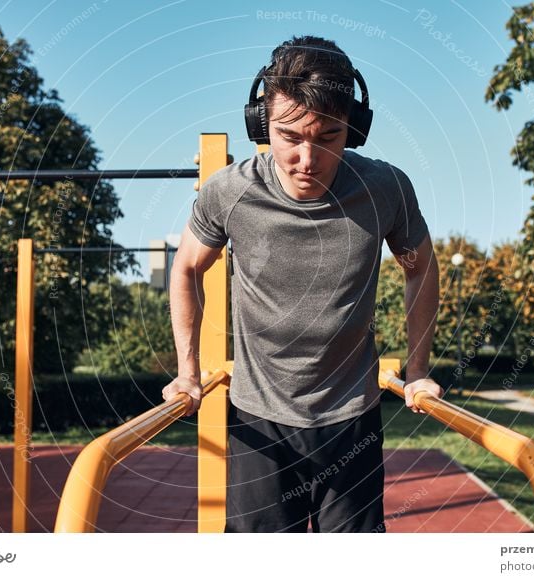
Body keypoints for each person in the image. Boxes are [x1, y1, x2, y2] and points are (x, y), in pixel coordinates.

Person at [162, 36, 442, 533]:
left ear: (353, 131)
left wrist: (418, 370)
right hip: (258, 422)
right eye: (289, 137)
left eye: (328, 137)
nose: (306, 158)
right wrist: (188, 372)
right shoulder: (229, 191)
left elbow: (419, 265)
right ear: (261, 124)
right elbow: (186, 268)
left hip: (352, 416)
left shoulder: (385, 189)